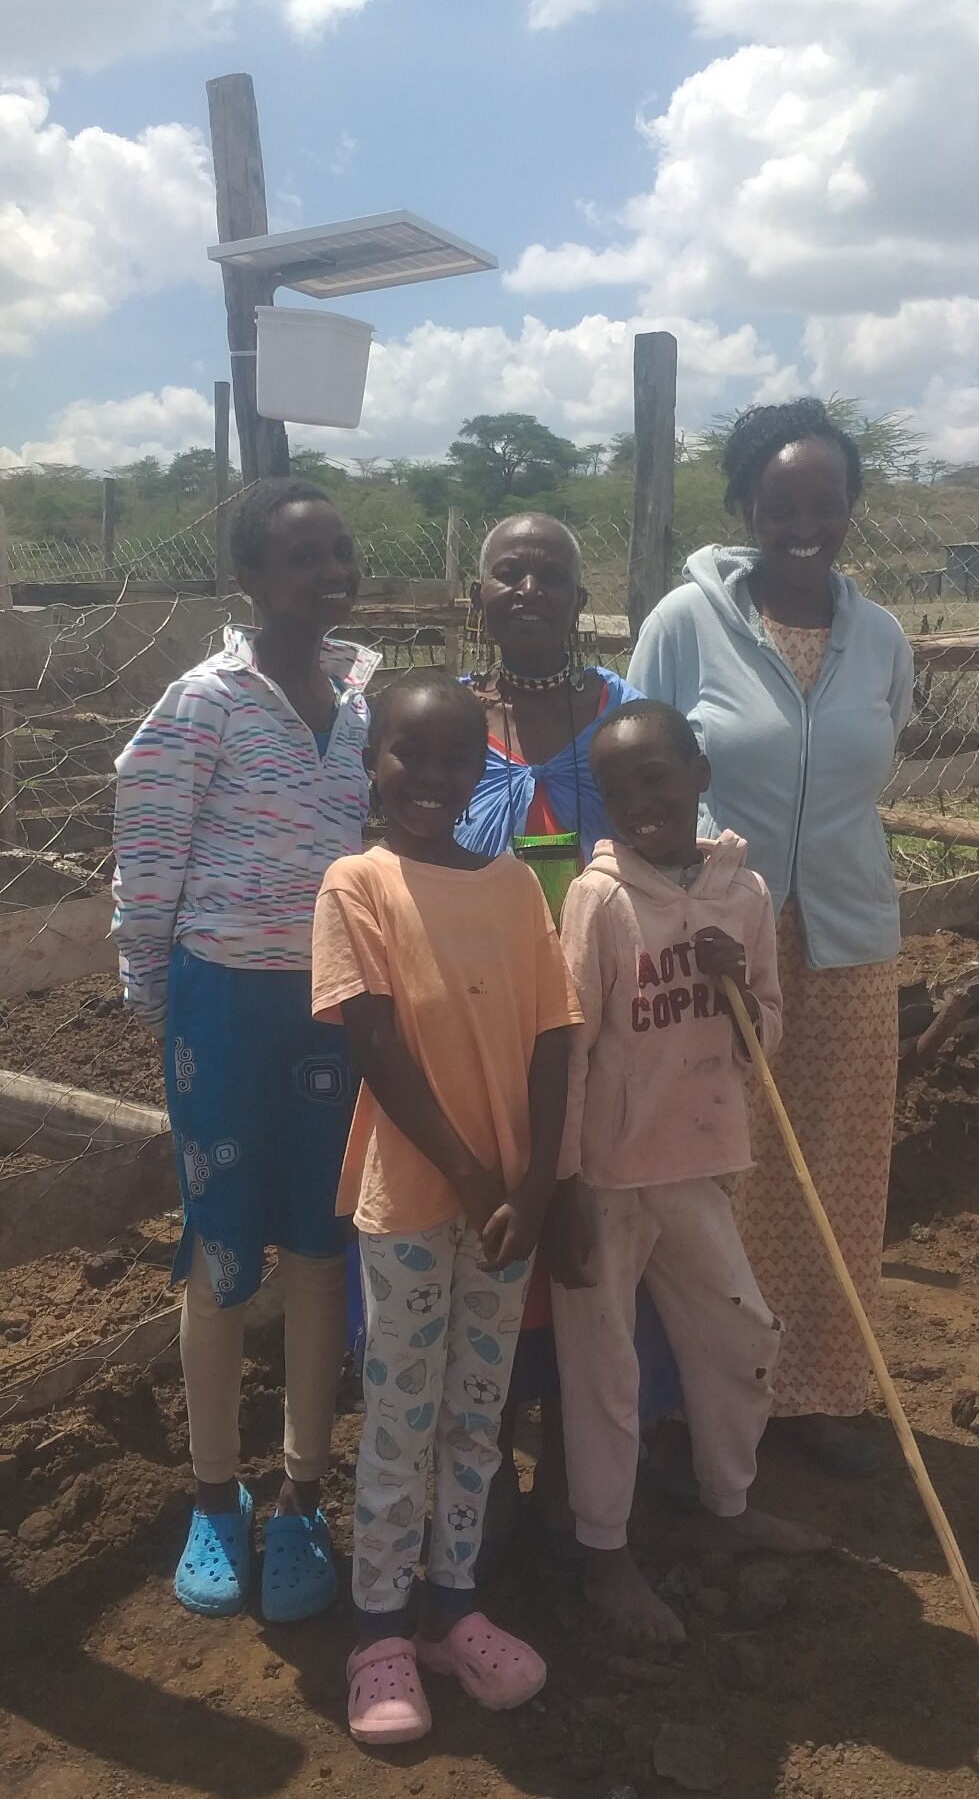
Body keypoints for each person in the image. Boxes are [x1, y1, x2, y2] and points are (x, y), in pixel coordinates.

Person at [628, 399, 913, 1480]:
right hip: (711, 939)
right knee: (708, 1165)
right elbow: (638, 769)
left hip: (846, 935)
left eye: (825, 502)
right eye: (781, 502)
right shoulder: (683, 622)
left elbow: (871, 761)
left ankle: (816, 1388)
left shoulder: (879, 636)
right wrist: (679, 901)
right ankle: (687, 1391)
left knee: (834, 1168)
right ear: (747, 506)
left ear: (849, 511)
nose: (804, 521)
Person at [112, 479, 379, 1619]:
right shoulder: (205, 700)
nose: (325, 571)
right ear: (250, 580)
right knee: (221, 1251)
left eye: (337, 551)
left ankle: (303, 1494)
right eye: (298, 556)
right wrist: (153, 993)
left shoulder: (363, 698)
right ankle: (213, 1496)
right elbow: (151, 846)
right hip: (222, 1004)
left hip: (331, 1005)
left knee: (322, 1247)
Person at [310, 669, 581, 1746]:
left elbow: (556, 1029)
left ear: (485, 768)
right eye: (407, 755)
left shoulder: (514, 886)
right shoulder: (356, 883)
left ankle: (454, 1605)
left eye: (455, 758)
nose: (430, 776)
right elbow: (374, 1043)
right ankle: (378, 1627)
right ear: (372, 760)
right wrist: (476, 1179)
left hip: (508, 1203)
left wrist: (534, 1182)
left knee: (480, 1408)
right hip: (420, 1199)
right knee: (400, 1414)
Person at [550, 699, 826, 1648]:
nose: (639, 799)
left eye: (657, 777)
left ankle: (730, 1499)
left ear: (699, 774)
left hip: (702, 1161)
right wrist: (566, 1182)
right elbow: (571, 1044)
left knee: (739, 1332)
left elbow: (767, 1037)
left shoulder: (741, 896)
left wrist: (737, 986)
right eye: (618, 787)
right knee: (604, 1368)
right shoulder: (600, 900)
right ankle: (604, 1552)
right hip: (610, 1175)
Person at [456, 513, 641, 1551]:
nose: (527, 587)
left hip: (603, 1029)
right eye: (506, 571)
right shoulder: (440, 721)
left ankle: (582, 1499)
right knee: (495, 1242)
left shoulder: (621, 716)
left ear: (579, 599)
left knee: (590, 1254)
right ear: (476, 596)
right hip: (480, 1028)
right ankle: (484, 1494)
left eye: (550, 574)